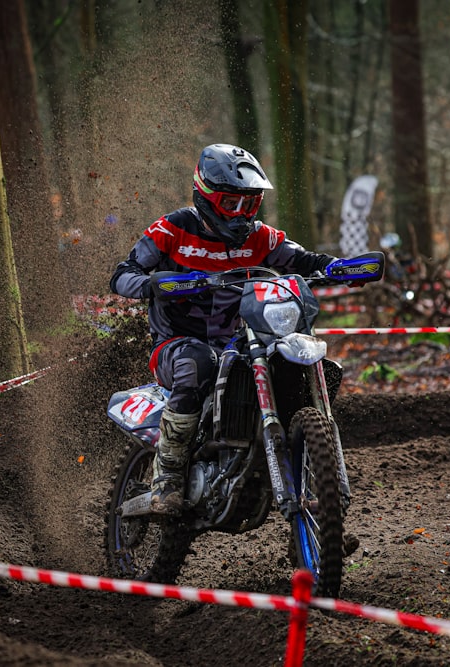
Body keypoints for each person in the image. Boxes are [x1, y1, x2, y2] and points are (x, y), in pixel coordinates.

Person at [111, 144, 338, 514]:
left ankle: (320, 503)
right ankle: (166, 478)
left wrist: (339, 268)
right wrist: (154, 285)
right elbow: (122, 275)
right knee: (197, 362)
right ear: (205, 196)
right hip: (176, 344)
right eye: (231, 203)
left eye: (249, 205)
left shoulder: (259, 237)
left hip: (241, 341)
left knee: (286, 359)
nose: (240, 214)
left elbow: (303, 260)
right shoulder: (172, 229)